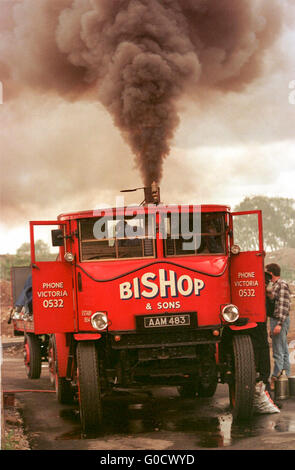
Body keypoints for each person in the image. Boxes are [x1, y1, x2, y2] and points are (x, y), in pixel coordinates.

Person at [266, 263, 291, 389]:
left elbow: (283, 305)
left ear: (271, 273)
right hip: (276, 319)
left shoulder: (282, 285)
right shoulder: (276, 286)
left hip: (279, 319)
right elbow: (274, 301)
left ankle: (274, 378)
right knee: (284, 350)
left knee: (278, 351)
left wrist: (279, 324)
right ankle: (287, 380)